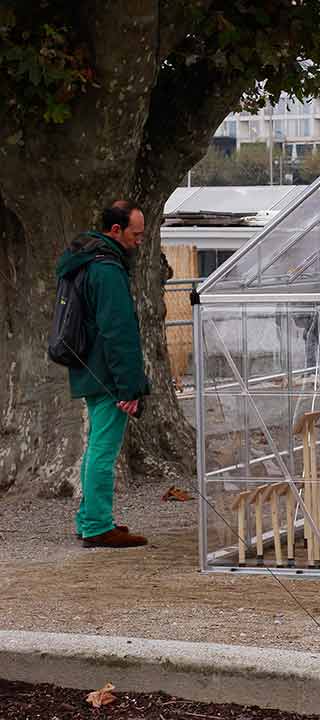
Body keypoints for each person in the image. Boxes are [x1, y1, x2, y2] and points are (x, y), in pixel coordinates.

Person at [54, 202, 151, 548]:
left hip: (90, 369)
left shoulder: (85, 261)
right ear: (115, 230)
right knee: (103, 450)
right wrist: (129, 387)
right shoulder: (107, 270)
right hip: (107, 373)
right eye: (136, 234)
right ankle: (97, 525)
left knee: (96, 446)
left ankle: (90, 519)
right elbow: (118, 332)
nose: (140, 241)